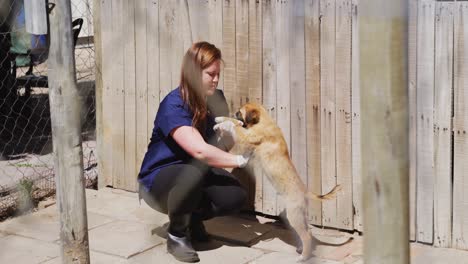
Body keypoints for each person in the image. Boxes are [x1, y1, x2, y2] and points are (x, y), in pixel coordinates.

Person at [137, 41, 251, 263]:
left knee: (235, 195)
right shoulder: (174, 104)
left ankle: (191, 219)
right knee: (191, 175)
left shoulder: (214, 99)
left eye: (218, 74)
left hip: (194, 172)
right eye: (210, 74)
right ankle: (177, 235)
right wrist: (240, 160)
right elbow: (199, 151)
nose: (216, 79)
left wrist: (230, 137)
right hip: (160, 179)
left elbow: (214, 150)